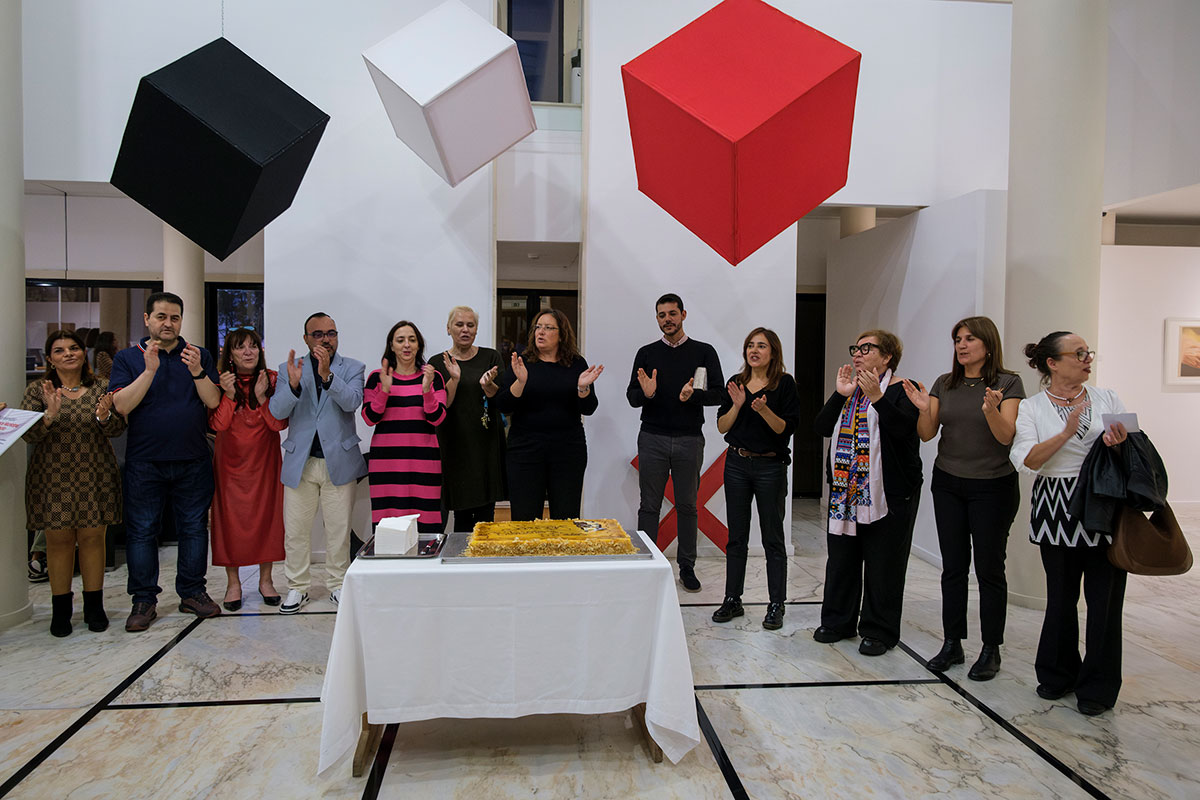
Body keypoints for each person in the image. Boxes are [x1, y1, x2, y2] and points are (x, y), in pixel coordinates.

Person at [1010, 331, 1128, 716]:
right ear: (1052, 363)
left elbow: (1133, 449)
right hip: (1055, 508)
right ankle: (1057, 674)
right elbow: (1027, 460)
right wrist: (1064, 432)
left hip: (1101, 507)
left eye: (1087, 352)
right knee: (1061, 597)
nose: (1086, 359)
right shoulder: (1032, 408)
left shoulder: (1106, 398)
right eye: (1078, 353)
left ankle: (1098, 687)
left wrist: (1120, 443)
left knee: (1104, 602)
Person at [902, 316, 1024, 680]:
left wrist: (991, 411)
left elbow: (1006, 437)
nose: (962, 344)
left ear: (988, 344)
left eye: (970, 338)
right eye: (957, 338)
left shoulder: (1008, 382)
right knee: (953, 567)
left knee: (988, 568)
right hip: (949, 483)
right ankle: (952, 642)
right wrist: (925, 409)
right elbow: (926, 435)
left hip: (993, 486)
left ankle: (991, 649)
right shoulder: (945, 382)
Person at [110, 292, 223, 631]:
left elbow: (213, 400)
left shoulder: (197, 354)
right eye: (161, 316)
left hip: (192, 458)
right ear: (147, 319)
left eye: (174, 317)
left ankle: (192, 592)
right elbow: (122, 406)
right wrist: (149, 371)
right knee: (143, 532)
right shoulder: (128, 358)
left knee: (193, 528)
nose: (168, 323)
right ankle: (143, 600)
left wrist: (198, 371)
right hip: (146, 461)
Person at [812, 329, 922, 655]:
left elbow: (904, 430)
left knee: (883, 564)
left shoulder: (903, 389)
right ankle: (837, 621)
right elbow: (820, 427)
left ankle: (879, 630)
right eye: (855, 348)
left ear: (887, 357)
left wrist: (877, 398)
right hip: (846, 493)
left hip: (890, 493)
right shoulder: (850, 391)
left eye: (866, 348)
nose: (857, 354)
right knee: (842, 560)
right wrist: (839, 394)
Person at [21, 330, 125, 636]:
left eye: (73, 348)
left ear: (83, 353)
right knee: (58, 541)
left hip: (96, 473)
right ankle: (61, 611)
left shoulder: (102, 388)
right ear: (50, 358)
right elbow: (28, 435)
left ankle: (94, 607)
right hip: (52, 476)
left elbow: (117, 429)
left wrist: (105, 417)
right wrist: (48, 416)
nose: (68, 353)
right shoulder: (37, 391)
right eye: (59, 350)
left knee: (93, 540)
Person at [269, 312, 366, 614]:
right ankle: (297, 587)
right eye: (318, 334)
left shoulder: (352, 367)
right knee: (296, 531)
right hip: (301, 461)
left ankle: (337, 584)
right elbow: (276, 410)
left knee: (339, 530)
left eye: (331, 333)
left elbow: (352, 402)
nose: (326, 339)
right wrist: (295, 387)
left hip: (339, 461)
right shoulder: (290, 369)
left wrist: (328, 377)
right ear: (306, 338)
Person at [626, 293, 724, 591]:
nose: (667, 319)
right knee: (649, 506)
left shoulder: (704, 352)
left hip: (689, 439)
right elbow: (633, 397)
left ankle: (687, 567)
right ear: (657, 319)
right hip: (652, 437)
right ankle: (648, 564)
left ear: (683, 314)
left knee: (687, 506)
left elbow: (718, 394)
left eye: (672, 313)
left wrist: (692, 395)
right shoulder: (646, 353)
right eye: (661, 315)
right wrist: (649, 393)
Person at [711, 328, 799, 631]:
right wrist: (737, 405)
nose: (754, 350)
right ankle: (732, 598)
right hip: (736, 463)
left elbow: (783, 429)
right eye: (750, 345)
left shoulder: (784, 384)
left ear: (773, 352)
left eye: (761, 346)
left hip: (770, 467)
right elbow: (722, 426)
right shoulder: (735, 383)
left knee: (773, 537)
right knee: (736, 536)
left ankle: (776, 604)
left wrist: (763, 410)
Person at [494, 309, 603, 520]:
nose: (540, 332)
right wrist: (521, 382)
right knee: (524, 518)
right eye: (538, 327)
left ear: (561, 334)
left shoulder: (576, 363)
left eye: (548, 327)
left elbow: (588, 408)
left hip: (568, 450)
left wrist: (582, 388)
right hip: (525, 449)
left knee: (566, 518)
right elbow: (503, 405)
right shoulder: (522, 362)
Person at [210, 327, 287, 612]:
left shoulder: (273, 380)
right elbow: (217, 425)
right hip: (230, 463)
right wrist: (229, 395)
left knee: (267, 517)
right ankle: (234, 584)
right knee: (230, 521)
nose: (248, 352)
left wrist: (263, 397)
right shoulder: (219, 383)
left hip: (265, 462)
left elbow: (279, 424)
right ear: (230, 353)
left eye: (253, 346)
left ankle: (266, 580)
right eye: (240, 347)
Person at [363, 321, 448, 532]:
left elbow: (437, 418)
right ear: (391, 345)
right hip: (386, 465)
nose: (406, 345)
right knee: (388, 530)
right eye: (400, 340)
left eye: (412, 340)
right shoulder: (377, 377)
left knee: (426, 528)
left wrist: (426, 390)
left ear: (419, 345)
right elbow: (369, 417)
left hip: (424, 463)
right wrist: (384, 390)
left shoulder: (433, 377)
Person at [428, 307, 506, 531]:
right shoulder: (438, 362)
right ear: (448, 328)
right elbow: (439, 406)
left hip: (485, 443)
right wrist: (454, 379)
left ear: (476, 329)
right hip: (453, 444)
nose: (465, 330)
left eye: (470, 325)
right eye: (459, 325)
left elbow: (500, 399)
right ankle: (458, 560)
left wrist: (487, 384)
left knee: (485, 516)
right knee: (459, 513)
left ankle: (482, 561)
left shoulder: (491, 357)